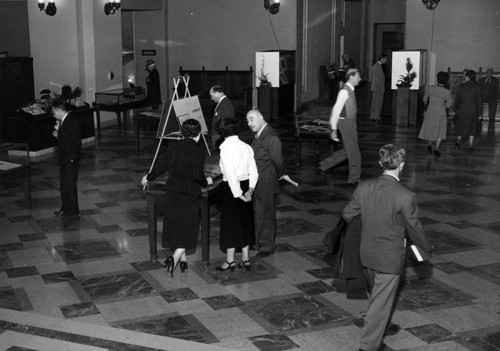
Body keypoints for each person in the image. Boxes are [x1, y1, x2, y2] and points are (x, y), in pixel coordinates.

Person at [342, 144, 431, 351]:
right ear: (401, 165)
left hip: (365, 254)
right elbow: (415, 229)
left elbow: (348, 214)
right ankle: (368, 345)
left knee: (377, 295)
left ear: (380, 163)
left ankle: (381, 325)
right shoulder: (405, 196)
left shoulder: (363, 187)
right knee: (381, 300)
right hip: (389, 259)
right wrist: (425, 251)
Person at [141, 119, 211, 277]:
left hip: (172, 191)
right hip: (189, 193)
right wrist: (206, 182)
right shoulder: (198, 151)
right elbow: (197, 175)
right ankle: (173, 259)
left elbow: (161, 165)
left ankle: (183, 262)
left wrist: (149, 176)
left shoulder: (173, 146)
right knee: (188, 228)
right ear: (198, 134)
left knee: (177, 226)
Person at [215, 118, 258, 271]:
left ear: (221, 133)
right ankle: (246, 259)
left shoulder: (225, 149)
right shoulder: (246, 147)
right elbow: (254, 171)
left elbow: (230, 174)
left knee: (230, 224)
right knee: (245, 222)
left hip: (233, 190)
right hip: (247, 186)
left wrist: (239, 194)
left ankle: (230, 260)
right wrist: (250, 189)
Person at [247, 108, 284, 258]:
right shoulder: (258, 135)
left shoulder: (271, 137)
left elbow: (278, 162)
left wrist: (278, 176)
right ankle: (258, 241)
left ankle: (268, 245)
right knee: (258, 212)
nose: (249, 123)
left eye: (252, 119)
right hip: (257, 181)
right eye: (248, 120)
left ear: (261, 117)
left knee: (267, 214)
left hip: (267, 182)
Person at [319, 68, 362, 186]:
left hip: (350, 122)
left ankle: (325, 165)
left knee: (348, 150)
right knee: (354, 151)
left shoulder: (351, 90)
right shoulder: (344, 92)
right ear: (351, 77)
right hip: (345, 123)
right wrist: (333, 129)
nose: (360, 79)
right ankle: (354, 178)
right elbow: (336, 110)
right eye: (358, 76)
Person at [52, 100, 82, 218]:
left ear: (59, 110)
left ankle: (73, 210)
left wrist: (72, 159)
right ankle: (65, 208)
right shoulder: (63, 121)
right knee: (64, 184)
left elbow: (76, 142)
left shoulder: (72, 121)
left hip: (70, 159)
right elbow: (66, 138)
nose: (54, 115)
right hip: (64, 158)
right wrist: (58, 134)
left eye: (54, 112)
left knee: (69, 185)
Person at [418, 71, 452, 156]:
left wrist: (427, 106)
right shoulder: (447, 92)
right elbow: (449, 104)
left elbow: (424, 99)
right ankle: (436, 148)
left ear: (437, 79)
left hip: (431, 110)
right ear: (446, 80)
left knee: (431, 128)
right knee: (440, 130)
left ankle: (429, 146)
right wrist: (443, 104)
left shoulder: (430, 88)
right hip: (441, 111)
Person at [454, 69, 482, 151]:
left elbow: (457, 100)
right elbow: (479, 102)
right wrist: (480, 114)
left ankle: (458, 143)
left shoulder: (461, 86)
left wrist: (455, 109)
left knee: (461, 127)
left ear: (468, 77)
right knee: (472, 128)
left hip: (462, 110)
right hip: (473, 111)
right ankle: (470, 145)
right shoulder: (477, 87)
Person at [209, 85, 235, 150]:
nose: (211, 98)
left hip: (221, 138)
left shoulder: (225, 105)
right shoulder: (223, 103)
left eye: (212, 96)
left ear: (217, 93)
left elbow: (226, 125)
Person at [369, 54, 387, 122]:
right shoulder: (377, 67)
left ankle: (373, 116)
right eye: (385, 59)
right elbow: (378, 79)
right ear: (382, 59)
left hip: (375, 87)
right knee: (378, 103)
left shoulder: (376, 66)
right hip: (378, 88)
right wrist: (381, 88)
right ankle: (376, 117)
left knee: (374, 103)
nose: (386, 61)